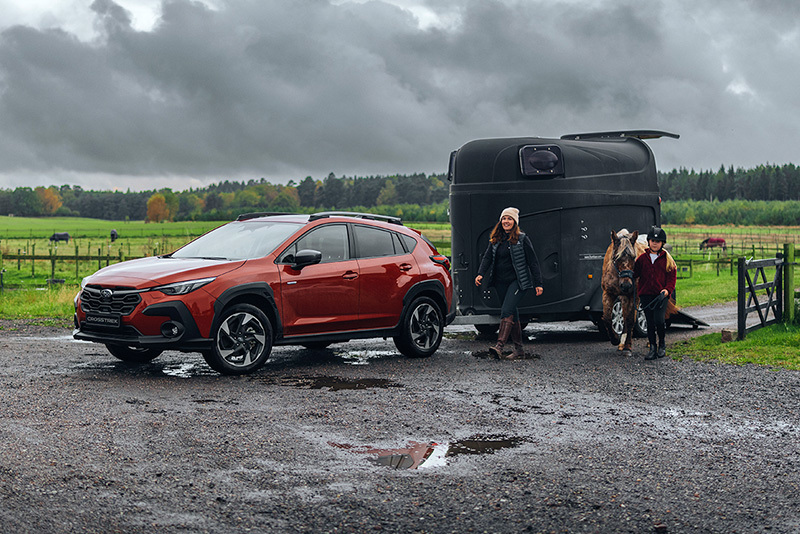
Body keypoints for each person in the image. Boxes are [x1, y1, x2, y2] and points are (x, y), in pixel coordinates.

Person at [474, 207, 543, 359]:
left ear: (515, 222)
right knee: (513, 314)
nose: (506, 221)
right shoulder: (495, 240)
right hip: (500, 282)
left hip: (517, 282)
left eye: (509, 219)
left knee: (506, 311)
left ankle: (499, 346)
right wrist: (480, 274)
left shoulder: (522, 239)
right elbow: (487, 258)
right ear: (501, 221)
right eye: (504, 218)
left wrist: (538, 283)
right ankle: (519, 350)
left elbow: (533, 262)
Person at [633, 226, 677, 360]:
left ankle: (662, 344)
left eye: (657, 241)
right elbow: (636, 274)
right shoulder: (641, 259)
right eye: (652, 241)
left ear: (662, 243)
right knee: (650, 322)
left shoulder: (667, 259)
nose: (654, 243)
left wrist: (667, 290)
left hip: (660, 296)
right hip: (646, 295)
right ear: (649, 242)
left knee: (659, 320)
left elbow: (672, 277)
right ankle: (652, 347)